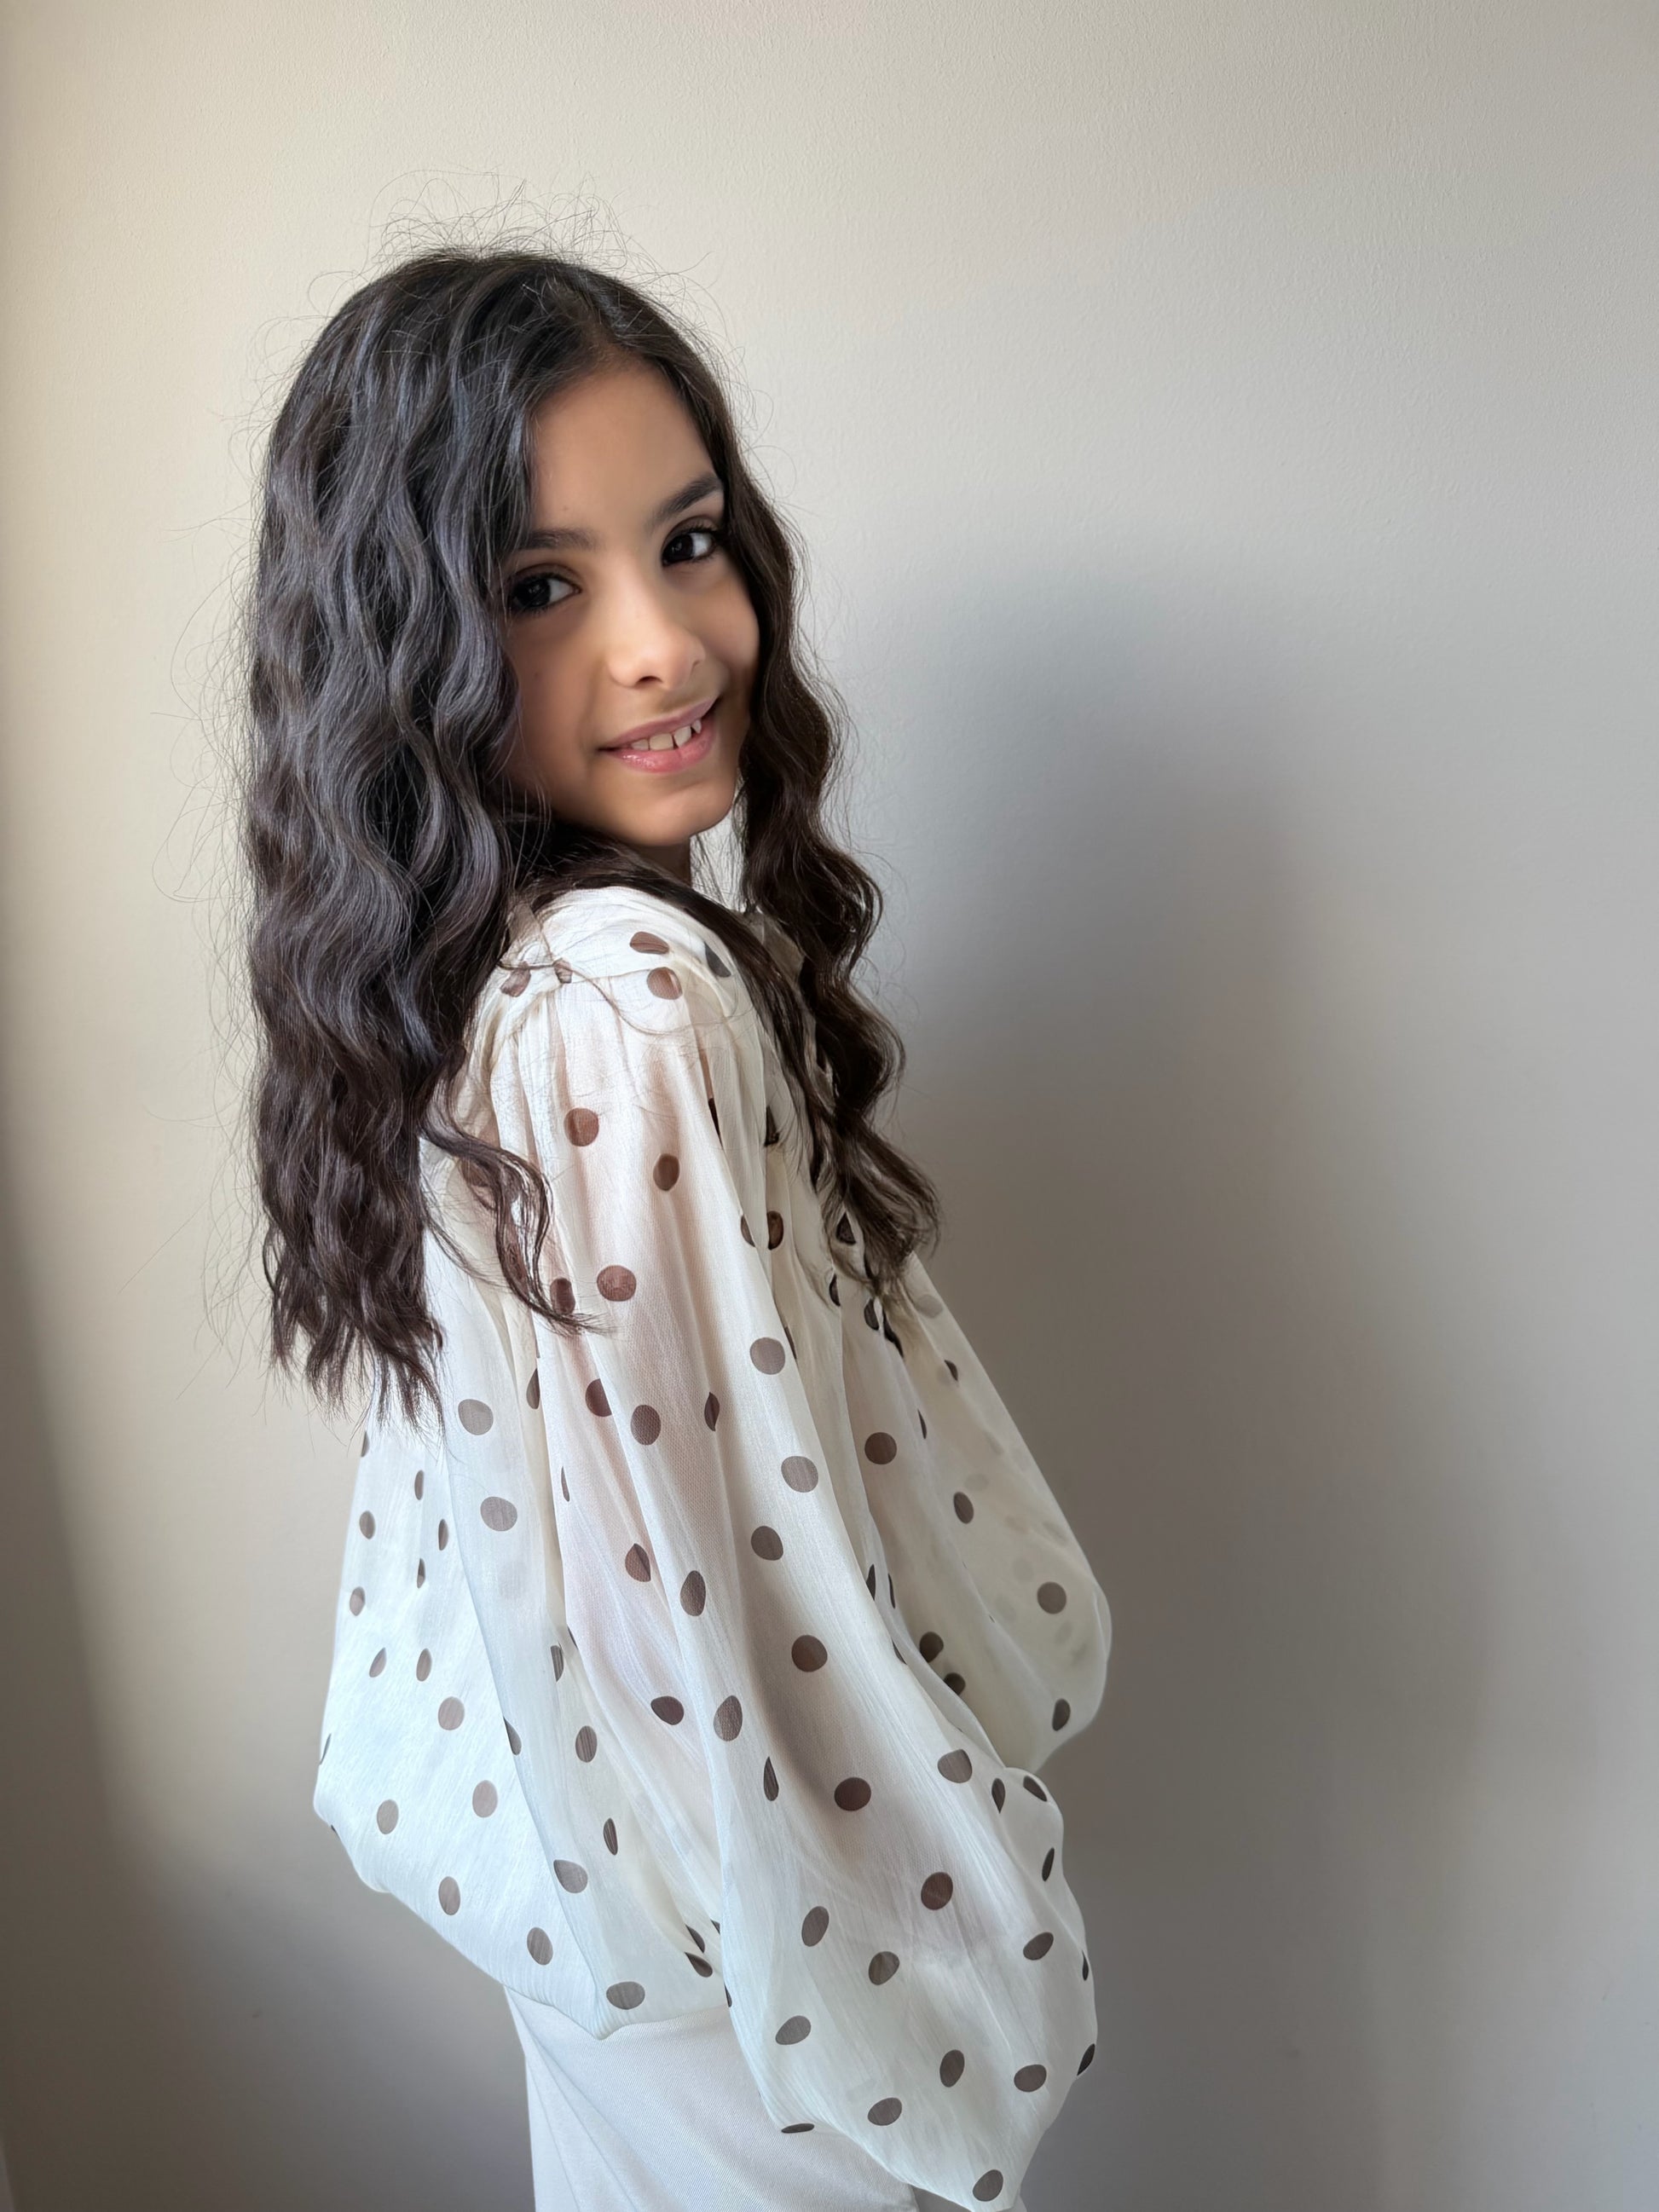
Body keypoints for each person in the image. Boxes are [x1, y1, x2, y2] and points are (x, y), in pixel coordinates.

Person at [240, 245, 1112, 2212]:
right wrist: (914, 1951)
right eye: (540, 586)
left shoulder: (489, 980)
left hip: (639, 1944)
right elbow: (700, 1629)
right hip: (758, 1963)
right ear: (404, 641)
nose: (663, 643)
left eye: (688, 543)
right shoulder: (624, 999)